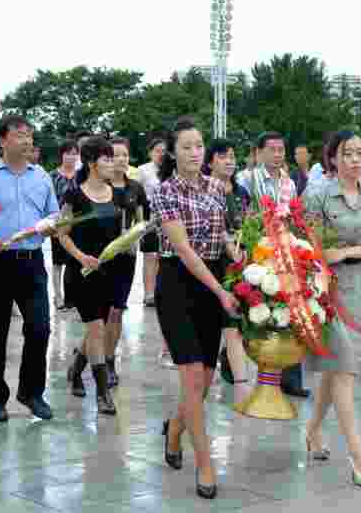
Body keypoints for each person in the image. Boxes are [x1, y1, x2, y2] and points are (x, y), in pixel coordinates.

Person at [152, 116, 239, 500]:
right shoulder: (163, 191)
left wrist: (246, 263)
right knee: (191, 376)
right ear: (173, 152)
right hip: (179, 284)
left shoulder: (217, 187)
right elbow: (183, 249)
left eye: (199, 145)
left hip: (214, 282)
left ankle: (174, 429)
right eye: (186, 146)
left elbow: (223, 235)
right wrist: (221, 291)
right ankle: (205, 464)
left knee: (203, 381)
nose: (194, 152)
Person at [303, 130, 361, 488]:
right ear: (333, 159)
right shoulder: (318, 196)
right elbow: (310, 247)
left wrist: (347, 252)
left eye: (360, 153)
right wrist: (332, 257)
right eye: (347, 153)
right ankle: (358, 455)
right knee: (345, 370)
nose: (355, 159)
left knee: (336, 369)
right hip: (329, 290)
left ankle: (311, 432)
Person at [0, 115, 60, 421]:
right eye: (19, 135)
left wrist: (50, 224)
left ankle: (31, 392)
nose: (26, 141)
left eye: (29, 135)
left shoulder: (41, 177)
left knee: (40, 328)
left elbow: (54, 213)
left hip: (32, 262)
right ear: (2, 141)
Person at [241, 132, 310, 398]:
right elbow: (244, 216)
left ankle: (290, 376)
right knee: (259, 310)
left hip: (286, 251)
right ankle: (242, 360)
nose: (278, 154)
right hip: (258, 252)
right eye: (272, 149)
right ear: (259, 153)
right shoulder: (247, 180)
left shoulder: (288, 183)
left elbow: (293, 216)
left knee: (290, 309)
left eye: (282, 149)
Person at [58, 137, 120, 415]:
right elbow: (62, 234)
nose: (113, 163)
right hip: (81, 273)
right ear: (93, 163)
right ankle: (103, 392)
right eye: (107, 159)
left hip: (108, 272)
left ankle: (76, 368)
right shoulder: (74, 195)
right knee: (96, 329)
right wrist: (81, 256)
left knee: (99, 329)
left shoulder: (115, 194)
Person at [204, 139, 252, 399]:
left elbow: (248, 223)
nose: (229, 161)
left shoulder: (242, 192)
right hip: (213, 263)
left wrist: (246, 250)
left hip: (239, 263)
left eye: (232, 156)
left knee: (236, 323)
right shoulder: (205, 189)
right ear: (210, 161)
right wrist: (230, 246)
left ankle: (234, 369)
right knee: (224, 323)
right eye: (223, 156)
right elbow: (213, 228)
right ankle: (241, 382)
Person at [103, 136, 148, 387]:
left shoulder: (135, 188)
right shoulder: (99, 187)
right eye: (115, 155)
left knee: (117, 312)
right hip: (100, 258)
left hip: (126, 258)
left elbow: (141, 221)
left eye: (124, 155)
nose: (121, 159)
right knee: (100, 315)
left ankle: (109, 360)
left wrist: (135, 237)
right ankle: (84, 357)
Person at [49, 140, 80, 310]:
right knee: (58, 262)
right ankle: (58, 295)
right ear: (62, 155)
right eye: (68, 153)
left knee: (74, 261)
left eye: (75, 153)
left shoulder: (81, 175)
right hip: (58, 224)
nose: (72, 157)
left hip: (77, 224)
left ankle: (73, 296)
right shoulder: (52, 176)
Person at [137, 138, 165, 311]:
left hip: (169, 215)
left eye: (164, 150)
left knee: (163, 256)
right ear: (150, 152)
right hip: (149, 215)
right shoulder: (143, 170)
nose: (161, 154)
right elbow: (138, 195)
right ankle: (148, 293)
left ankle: (160, 290)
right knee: (150, 255)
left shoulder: (172, 169)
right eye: (157, 150)